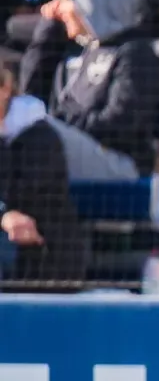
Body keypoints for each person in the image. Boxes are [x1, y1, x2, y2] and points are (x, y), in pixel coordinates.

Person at [26, 0, 159, 179]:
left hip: (119, 164)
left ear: (91, 3)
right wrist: (47, 29)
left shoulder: (135, 54)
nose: (60, 9)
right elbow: (32, 92)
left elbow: (121, 125)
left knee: (36, 133)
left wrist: (62, 119)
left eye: (67, 1)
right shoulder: (82, 50)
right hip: (75, 151)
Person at [0, 54, 84, 289]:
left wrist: (6, 215)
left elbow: (27, 200)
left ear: (6, 88)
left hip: (43, 256)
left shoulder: (39, 138)